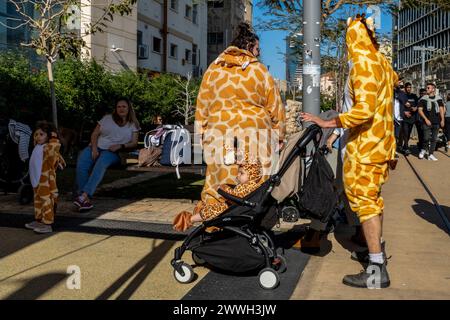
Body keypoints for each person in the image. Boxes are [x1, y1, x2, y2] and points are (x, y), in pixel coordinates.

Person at [301, 14, 396, 289]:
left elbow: (364, 109)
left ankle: (377, 270)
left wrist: (328, 122)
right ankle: (371, 248)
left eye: (347, 37)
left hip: (366, 146)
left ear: (353, 37)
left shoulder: (363, 64)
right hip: (380, 144)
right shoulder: (382, 62)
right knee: (372, 202)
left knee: (365, 203)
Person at [194, 22, 285, 215]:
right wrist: (279, 135)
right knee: (252, 181)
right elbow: (275, 107)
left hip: (219, 134)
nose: (259, 53)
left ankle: (214, 223)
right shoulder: (259, 71)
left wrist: (201, 136)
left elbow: (202, 106)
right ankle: (248, 222)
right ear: (249, 48)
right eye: (257, 49)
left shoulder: (213, 70)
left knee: (219, 180)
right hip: (255, 135)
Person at [74, 98, 140, 211]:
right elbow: (94, 134)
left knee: (101, 163)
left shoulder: (133, 124)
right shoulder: (107, 118)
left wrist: (121, 146)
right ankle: (84, 201)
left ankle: (83, 196)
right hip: (96, 147)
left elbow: (134, 143)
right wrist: (94, 149)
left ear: (129, 108)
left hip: (113, 152)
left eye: (124, 106)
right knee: (81, 164)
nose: (121, 109)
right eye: (118, 107)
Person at [173, 153, 263, 232]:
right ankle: (195, 216)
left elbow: (236, 195)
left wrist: (223, 188)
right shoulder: (253, 185)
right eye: (238, 172)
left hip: (231, 209)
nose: (238, 175)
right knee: (209, 209)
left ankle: (188, 220)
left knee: (210, 211)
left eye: (241, 173)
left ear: (252, 175)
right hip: (235, 208)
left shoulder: (249, 186)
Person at [25, 121, 65, 234]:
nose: (38, 137)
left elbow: (54, 151)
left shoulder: (48, 147)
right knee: (38, 201)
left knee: (46, 201)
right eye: (36, 134)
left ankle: (47, 224)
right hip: (36, 181)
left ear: (48, 135)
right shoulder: (38, 146)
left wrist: (53, 138)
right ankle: (39, 220)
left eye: (41, 134)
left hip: (45, 181)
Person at [417, 83, 445, 161]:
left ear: (433, 89)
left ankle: (431, 154)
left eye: (428, 88)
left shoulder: (439, 98)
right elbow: (420, 110)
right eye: (427, 88)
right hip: (426, 122)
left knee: (434, 139)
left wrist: (442, 120)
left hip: (436, 122)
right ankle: (423, 149)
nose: (427, 89)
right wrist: (425, 119)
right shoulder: (423, 99)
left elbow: (441, 109)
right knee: (426, 138)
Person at [400, 82, 419, 155]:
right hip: (405, 118)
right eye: (407, 87)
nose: (409, 88)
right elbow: (399, 106)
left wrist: (416, 108)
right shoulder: (403, 96)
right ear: (405, 88)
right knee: (405, 132)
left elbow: (418, 103)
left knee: (408, 134)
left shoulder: (414, 96)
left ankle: (405, 146)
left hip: (412, 118)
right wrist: (404, 112)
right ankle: (407, 148)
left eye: (410, 87)